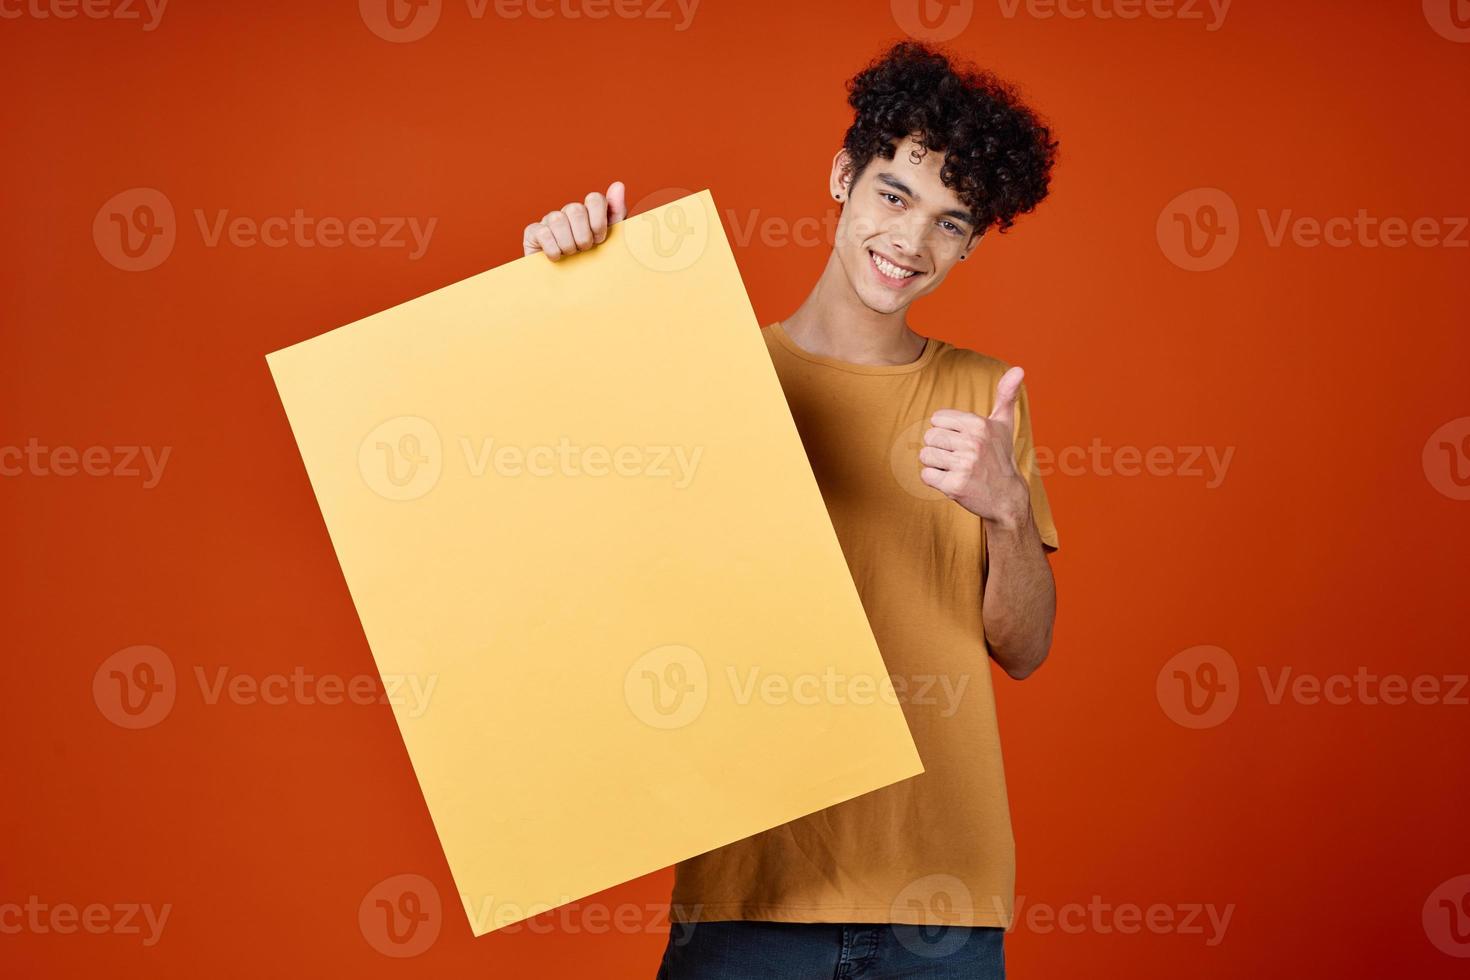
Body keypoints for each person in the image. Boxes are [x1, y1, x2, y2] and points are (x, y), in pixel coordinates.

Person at [521, 40, 1060, 980]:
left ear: (972, 242)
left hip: (944, 901)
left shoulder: (985, 400)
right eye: (894, 195)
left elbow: (1024, 647)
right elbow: (562, 533)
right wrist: (563, 289)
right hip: (748, 893)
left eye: (950, 222)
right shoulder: (712, 375)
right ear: (844, 177)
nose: (911, 242)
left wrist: (1007, 511)